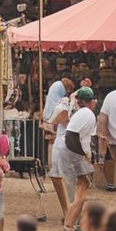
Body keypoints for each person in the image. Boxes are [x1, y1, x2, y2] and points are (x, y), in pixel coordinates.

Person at [62, 87, 98, 231]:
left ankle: (72, 222)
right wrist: (82, 154)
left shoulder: (81, 114)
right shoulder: (87, 114)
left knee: (83, 186)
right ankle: (69, 223)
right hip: (78, 156)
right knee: (82, 189)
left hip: (75, 154)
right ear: (90, 101)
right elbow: (70, 136)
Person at [44, 77, 75, 218]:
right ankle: (70, 211)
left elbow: (58, 119)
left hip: (62, 145)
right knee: (64, 177)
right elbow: (61, 119)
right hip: (66, 145)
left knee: (59, 176)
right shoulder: (64, 103)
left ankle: (69, 211)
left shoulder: (60, 102)